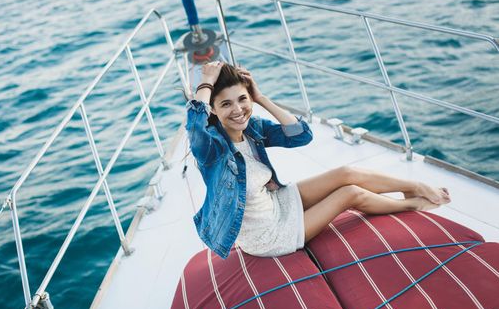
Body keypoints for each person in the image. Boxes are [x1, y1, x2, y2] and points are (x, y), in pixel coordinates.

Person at [185, 61, 451, 260]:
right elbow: (195, 126)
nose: (238, 110)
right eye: (226, 104)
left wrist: (261, 98)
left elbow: (301, 136)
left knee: (346, 172)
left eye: (242, 99)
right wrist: (206, 82)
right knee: (350, 193)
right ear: (214, 109)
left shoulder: (252, 129)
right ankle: (411, 205)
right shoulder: (212, 149)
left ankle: (415, 186)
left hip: (277, 204)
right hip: (267, 236)